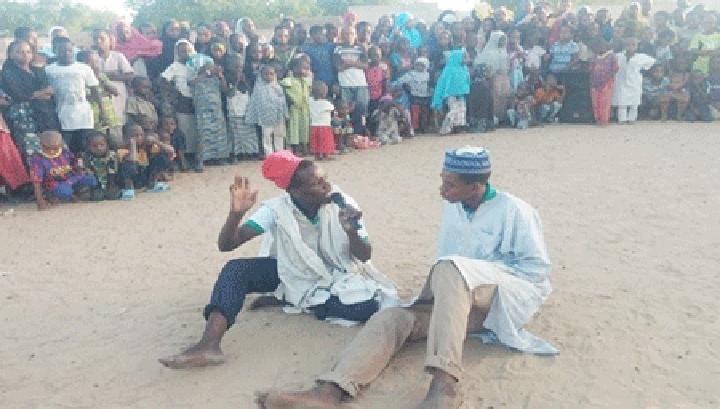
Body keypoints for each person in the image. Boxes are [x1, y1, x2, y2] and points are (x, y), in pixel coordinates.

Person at [257, 146, 554, 409]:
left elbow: (535, 273)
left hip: (499, 301)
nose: (442, 190)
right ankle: (330, 392)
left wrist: (479, 272)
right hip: (454, 303)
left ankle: (444, 386)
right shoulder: (454, 207)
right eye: (442, 180)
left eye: (450, 184)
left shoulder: (515, 211)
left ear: (475, 186)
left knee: (451, 267)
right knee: (392, 317)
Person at [159, 150, 398, 369]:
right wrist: (235, 214)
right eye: (317, 183)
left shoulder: (343, 203)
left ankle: (290, 297)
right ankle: (209, 345)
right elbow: (227, 245)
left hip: (339, 273)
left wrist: (352, 232)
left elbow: (365, 255)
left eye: (325, 179)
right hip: (291, 271)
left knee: (366, 307)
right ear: (293, 191)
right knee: (236, 270)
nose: (327, 186)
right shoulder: (276, 209)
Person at [1, 40, 60, 164]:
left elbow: (49, 94)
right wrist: (40, 93)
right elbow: (19, 95)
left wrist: (36, 94)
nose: (25, 55)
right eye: (20, 52)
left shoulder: (37, 71)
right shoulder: (7, 74)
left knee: (52, 146)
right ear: (10, 55)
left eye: (28, 51)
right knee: (32, 153)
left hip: (45, 115)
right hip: (24, 118)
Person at [45, 37, 103, 154]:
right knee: (66, 148)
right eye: (62, 51)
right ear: (55, 51)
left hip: (84, 116)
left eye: (69, 50)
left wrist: (101, 109)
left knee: (85, 147)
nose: (67, 53)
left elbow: (95, 89)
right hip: (62, 115)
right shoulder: (49, 70)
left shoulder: (84, 68)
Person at [30, 131, 98, 210]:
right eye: (47, 148)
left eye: (55, 148)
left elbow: (76, 165)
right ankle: (53, 195)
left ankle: (75, 194)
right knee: (64, 191)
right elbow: (36, 181)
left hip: (70, 178)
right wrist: (40, 201)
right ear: (41, 145)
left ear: (60, 144)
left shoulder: (65, 153)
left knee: (91, 179)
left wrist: (81, 168)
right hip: (54, 183)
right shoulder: (38, 159)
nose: (52, 151)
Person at [160, 40, 199, 161]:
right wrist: (175, 93)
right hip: (183, 102)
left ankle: (196, 155)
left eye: (188, 50)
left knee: (196, 130)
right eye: (182, 51)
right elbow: (163, 80)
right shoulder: (174, 66)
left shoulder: (197, 65)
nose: (186, 53)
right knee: (184, 128)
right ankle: (185, 156)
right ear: (177, 53)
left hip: (198, 101)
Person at [188, 55, 229, 169]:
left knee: (219, 135)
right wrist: (205, 73)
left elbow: (225, 90)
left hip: (216, 112)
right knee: (203, 136)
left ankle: (219, 158)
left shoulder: (216, 79)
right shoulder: (196, 79)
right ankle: (201, 160)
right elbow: (192, 83)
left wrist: (221, 76)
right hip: (203, 113)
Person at [76, 50, 122, 148]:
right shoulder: (79, 78)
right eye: (93, 62)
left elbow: (115, 92)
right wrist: (103, 93)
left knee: (115, 145)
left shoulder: (101, 76)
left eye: (97, 62)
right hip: (93, 121)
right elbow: (89, 96)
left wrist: (99, 78)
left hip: (109, 119)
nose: (96, 65)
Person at [116, 123, 172, 199]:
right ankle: (129, 189)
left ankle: (152, 184)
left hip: (142, 177)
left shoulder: (144, 147)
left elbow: (170, 151)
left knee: (162, 156)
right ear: (125, 138)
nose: (139, 138)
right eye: (135, 136)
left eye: (141, 135)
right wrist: (133, 145)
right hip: (129, 180)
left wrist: (156, 141)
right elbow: (133, 161)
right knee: (129, 165)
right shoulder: (122, 150)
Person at [93, 29, 134, 126]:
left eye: (102, 39)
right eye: (95, 39)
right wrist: (107, 75)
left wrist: (113, 76)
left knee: (118, 123)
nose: (98, 41)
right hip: (99, 98)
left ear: (110, 40)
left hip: (117, 97)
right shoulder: (91, 57)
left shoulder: (118, 56)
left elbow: (130, 76)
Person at [245, 65, 288, 157]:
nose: (269, 76)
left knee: (279, 136)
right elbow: (256, 103)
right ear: (261, 75)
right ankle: (269, 155)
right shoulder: (259, 89)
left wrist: (285, 114)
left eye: (271, 74)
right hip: (265, 118)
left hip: (278, 117)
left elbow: (283, 101)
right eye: (266, 74)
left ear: (275, 75)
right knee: (267, 137)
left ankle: (279, 154)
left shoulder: (278, 87)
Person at [334, 26, 370, 136]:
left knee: (361, 110)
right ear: (341, 35)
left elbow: (366, 65)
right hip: (345, 84)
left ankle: (359, 135)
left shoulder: (360, 48)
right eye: (345, 33)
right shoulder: (338, 49)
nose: (348, 36)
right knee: (345, 112)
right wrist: (356, 64)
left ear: (355, 35)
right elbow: (339, 67)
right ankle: (347, 136)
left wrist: (349, 63)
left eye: (351, 33)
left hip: (360, 84)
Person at [612, 37, 656, 124]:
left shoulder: (641, 57)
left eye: (633, 44)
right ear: (624, 46)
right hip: (621, 81)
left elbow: (652, 62)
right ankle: (622, 119)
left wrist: (642, 71)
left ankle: (632, 119)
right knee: (622, 102)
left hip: (635, 82)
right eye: (628, 44)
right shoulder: (618, 56)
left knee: (634, 102)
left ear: (637, 46)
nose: (630, 47)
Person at [223, 53, 258, 160]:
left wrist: (244, 81)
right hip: (234, 112)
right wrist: (237, 81)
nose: (239, 69)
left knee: (249, 134)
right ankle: (238, 153)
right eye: (236, 67)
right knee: (236, 134)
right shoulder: (226, 78)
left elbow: (251, 92)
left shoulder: (246, 77)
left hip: (246, 111)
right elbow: (229, 93)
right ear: (229, 66)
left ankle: (250, 152)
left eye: (241, 67)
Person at [432, 49, 470, 135]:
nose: (465, 60)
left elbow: (466, 81)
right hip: (452, 94)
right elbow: (446, 83)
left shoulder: (464, 68)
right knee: (454, 110)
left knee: (462, 110)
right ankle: (445, 128)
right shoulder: (449, 69)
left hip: (462, 94)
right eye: (463, 57)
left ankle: (458, 127)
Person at [280, 59, 312, 156]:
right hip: (293, 108)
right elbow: (284, 93)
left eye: (306, 68)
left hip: (304, 108)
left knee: (304, 127)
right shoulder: (288, 80)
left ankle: (304, 146)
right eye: (302, 68)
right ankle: (295, 148)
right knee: (294, 128)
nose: (304, 71)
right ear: (294, 68)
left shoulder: (306, 81)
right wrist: (290, 101)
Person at [395, 57, 431, 133]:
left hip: (426, 97)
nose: (419, 67)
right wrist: (397, 85)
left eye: (421, 65)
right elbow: (401, 80)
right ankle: (415, 127)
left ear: (426, 66)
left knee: (424, 113)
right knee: (415, 113)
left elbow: (430, 85)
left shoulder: (428, 75)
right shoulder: (411, 74)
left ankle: (424, 127)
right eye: (417, 65)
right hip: (415, 96)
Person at [82, 131, 120, 200]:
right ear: (88, 147)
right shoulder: (86, 157)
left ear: (107, 145)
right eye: (94, 146)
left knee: (113, 196)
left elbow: (113, 173)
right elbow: (88, 172)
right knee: (97, 197)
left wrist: (111, 186)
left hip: (110, 181)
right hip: (96, 183)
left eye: (102, 145)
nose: (99, 148)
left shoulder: (112, 156)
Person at [590, 39, 619, 126]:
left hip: (607, 82)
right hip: (595, 82)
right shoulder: (594, 57)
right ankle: (597, 119)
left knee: (604, 101)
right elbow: (591, 69)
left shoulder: (611, 56)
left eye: (599, 47)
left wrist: (607, 77)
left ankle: (604, 120)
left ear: (605, 46)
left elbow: (615, 69)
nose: (598, 49)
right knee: (595, 102)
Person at [309, 81, 336, 160]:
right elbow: (332, 108)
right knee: (325, 141)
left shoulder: (311, 102)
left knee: (316, 141)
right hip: (325, 126)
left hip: (314, 125)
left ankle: (317, 156)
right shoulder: (326, 103)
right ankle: (325, 155)